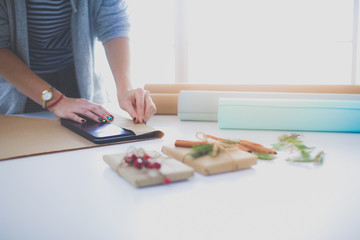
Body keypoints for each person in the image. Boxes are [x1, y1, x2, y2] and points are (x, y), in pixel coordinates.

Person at [0, 0, 156, 124]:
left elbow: (113, 23)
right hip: (18, 89)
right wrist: (55, 101)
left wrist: (125, 89)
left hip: (78, 80)